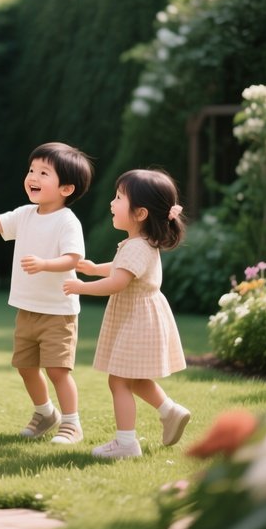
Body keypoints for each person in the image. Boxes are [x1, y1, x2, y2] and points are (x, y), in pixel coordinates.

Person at [0, 142, 93, 444]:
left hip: (58, 312)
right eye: (32, 170)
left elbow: (73, 258)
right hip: (27, 309)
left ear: (66, 188)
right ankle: (45, 413)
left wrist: (46, 264)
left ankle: (72, 424)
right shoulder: (25, 214)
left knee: (58, 371)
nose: (33, 176)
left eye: (44, 172)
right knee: (25, 367)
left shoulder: (66, 221)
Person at [63, 168, 190, 460]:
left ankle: (126, 443)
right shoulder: (141, 244)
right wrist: (97, 268)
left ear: (141, 213)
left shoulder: (136, 246)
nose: (112, 202)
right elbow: (123, 269)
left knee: (118, 381)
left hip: (137, 319)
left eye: (119, 197)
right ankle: (170, 411)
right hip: (141, 316)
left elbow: (118, 282)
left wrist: (82, 286)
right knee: (133, 378)